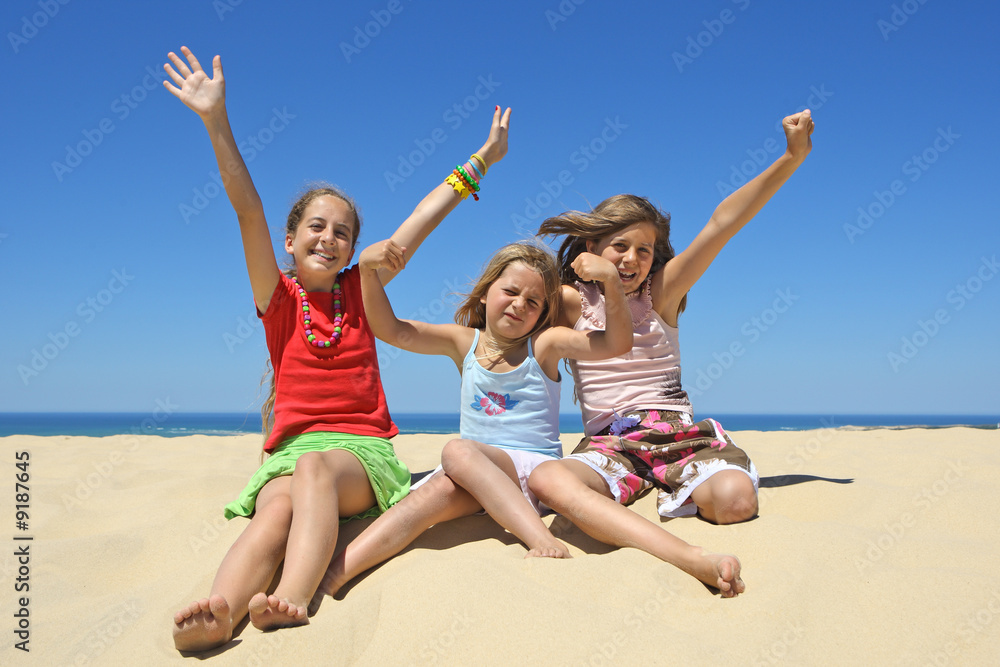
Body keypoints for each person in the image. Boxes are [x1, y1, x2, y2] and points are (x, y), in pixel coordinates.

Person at [163, 45, 510, 651]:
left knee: (316, 469)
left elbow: (426, 217)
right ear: (291, 241)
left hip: (358, 454)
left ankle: (295, 594)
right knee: (274, 512)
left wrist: (481, 160)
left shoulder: (360, 288)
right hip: (289, 453)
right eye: (316, 228)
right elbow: (247, 208)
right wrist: (216, 121)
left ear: (352, 248)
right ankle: (222, 609)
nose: (329, 237)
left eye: (343, 232)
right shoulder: (278, 300)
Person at [528, 109, 815, 596]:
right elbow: (507, 306)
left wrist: (791, 157)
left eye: (645, 250)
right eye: (621, 245)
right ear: (593, 245)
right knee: (550, 481)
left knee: (735, 503)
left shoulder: (661, 294)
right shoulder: (571, 301)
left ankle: (676, 495)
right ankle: (684, 555)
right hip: (611, 443)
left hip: (678, 435)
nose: (633, 259)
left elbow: (722, 225)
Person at [309, 240, 632, 602]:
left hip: (530, 472)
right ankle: (330, 580)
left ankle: (540, 539)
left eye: (533, 302)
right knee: (428, 497)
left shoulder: (545, 345)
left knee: (457, 451)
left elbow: (617, 343)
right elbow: (391, 330)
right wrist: (368, 273)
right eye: (509, 291)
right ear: (483, 293)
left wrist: (612, 284)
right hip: (475, 477)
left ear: (543, 314)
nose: (518, 305)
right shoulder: (463, 343)